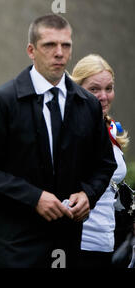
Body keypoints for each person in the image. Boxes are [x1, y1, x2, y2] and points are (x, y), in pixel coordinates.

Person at [0, 14, 117, 268]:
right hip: (16, 244)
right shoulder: (3, 101)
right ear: (31, 50)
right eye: (49, 45)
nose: (59, 53)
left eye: (65, 45)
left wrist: (88, 194)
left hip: (66, 243)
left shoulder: (87, 104)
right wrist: (34, 197)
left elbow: (103, 164)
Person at [71, 54, 130, 267]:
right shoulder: (70, 131)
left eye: (109, 88)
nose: (103, 96)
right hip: (78, 243)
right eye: (94, 89)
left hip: (107, 241)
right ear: (76, 89)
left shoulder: (113, 127)